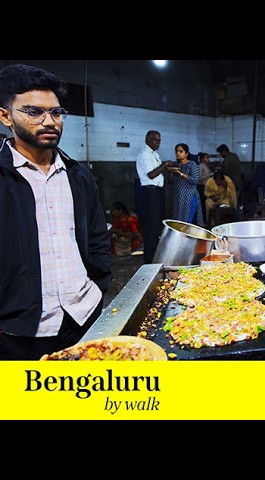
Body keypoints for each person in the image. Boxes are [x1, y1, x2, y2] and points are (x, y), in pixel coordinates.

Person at [0, 63, 112, 360]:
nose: (49, 121)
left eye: (57, 112)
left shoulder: (77, 174)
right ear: (5, 116)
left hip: (82, 316)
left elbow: (98, 237)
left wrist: (98, 287)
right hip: (19, 332)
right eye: (34, 112)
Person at [136, 129, 173, 263]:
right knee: (151, 227)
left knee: (157, 225)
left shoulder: (154, 155)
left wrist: (169, 169)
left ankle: (156, 256)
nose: (158, 143)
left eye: (159, 140)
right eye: (155, 140)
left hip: (157, 192)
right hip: (150, 193)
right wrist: (164, 165)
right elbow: (151, 174)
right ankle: (149, 259)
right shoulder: (144, 154)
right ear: (148, 140)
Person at [170, 143, 204, 226]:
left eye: (181, 151)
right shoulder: (176, 166)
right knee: (178, 221)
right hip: (179, 197)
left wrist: (181, 174)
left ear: (186, 154)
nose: (178, 153)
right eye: (176, 151)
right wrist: (171, 173)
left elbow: (195, 180)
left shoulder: (192, 165)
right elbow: (171, 182)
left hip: (189, 196)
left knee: (188, 221)